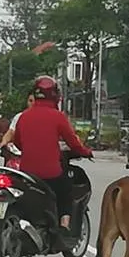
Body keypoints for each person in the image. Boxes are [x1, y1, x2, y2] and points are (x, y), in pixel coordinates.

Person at [12, 75, 92, 238]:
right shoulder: (58, 117)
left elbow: (18, 143)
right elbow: (73, 142)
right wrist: (85, 152)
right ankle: (64, 225)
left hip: (26, 173)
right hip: (51, 173)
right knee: (66, 191)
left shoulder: (24, 116)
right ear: (55, 95)